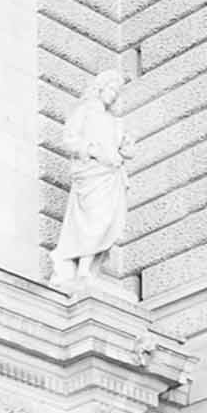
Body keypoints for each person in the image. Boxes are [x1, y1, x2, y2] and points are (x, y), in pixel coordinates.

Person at [49, 69, 135, 289]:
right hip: (91, 175)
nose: (113, 95)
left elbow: (125, 150)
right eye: (111, 89)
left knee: (107, 221)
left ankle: (89, 269)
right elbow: (69, 141)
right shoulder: (85, 112)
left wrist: (126, 148)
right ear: (100, 88)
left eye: (117, 92)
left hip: (111, 176)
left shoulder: (115, 122)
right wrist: (93, 151)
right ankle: (83, 270)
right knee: (93, 220)